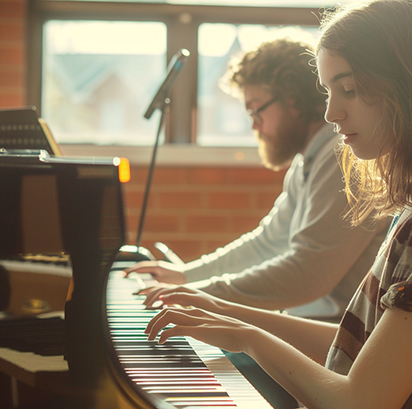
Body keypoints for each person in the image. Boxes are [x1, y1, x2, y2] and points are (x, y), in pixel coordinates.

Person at [141, 1, 412, 408]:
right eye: (329, 91)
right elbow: (364, 345)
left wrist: (246, 337)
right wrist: (224, 312)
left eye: (348, 89)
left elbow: (358, 403)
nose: (332, 112)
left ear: (411, 84)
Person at [124, 38, 389, 321]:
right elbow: (267, 243)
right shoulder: (308, 160)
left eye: (256, 109)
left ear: (293, 99)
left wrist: (199, 293)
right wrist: (185, 275)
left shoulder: (342, 156)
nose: (253, 124)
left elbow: (307, 274)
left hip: (333, 346)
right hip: (305, 328)